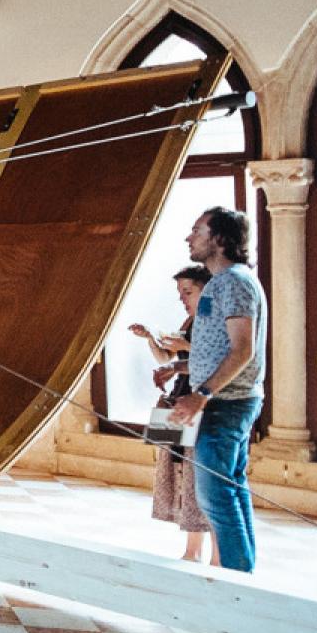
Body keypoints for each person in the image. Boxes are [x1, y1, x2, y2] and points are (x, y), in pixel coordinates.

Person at [167, 207, 267, 572]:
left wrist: (202, 394)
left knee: (216, 497)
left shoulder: (236, 281)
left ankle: (237, 584)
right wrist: (180, 369)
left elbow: (243, 349)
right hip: (220, 400)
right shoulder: (222, 283)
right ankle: (241, 577)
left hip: (226, 403)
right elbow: (216, 347)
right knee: (229, 490)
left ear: (219, 239)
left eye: (197, 231)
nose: (189, 238)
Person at [129, 265, 211, 561]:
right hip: (179, 395)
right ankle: (192, 549)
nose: (182, 299)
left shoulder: (215, 319)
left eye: (187, 292)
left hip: (201, 400)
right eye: (180, 293)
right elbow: (169, 356)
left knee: (199, 474)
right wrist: (152, 338)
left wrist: (182, 349)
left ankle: (208, 552)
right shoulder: (191, 318)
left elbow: (216, 359)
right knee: (177, 471)